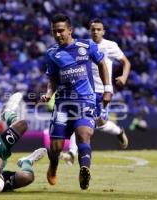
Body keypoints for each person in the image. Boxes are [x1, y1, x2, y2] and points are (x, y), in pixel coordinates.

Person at [40, 14, 112, 190]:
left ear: (70, 30)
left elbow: (102, 64)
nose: (57, 35)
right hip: (63, 103)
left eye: (61, 30)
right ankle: (54, 165)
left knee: (83, 135)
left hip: (85, 100)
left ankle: (84, 169)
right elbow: (52, 79)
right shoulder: (51, 53)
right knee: (56, 148)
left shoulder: (86, 46)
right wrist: (49, 93)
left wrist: (108, 88)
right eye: (54, 31)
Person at [61, 18, 131, 165]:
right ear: (89, 31)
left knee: (100, 123)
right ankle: (72, 154)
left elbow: (126, 62)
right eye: (93, 29)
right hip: (86, 92)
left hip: (103, 91)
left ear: (103, 31)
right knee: (80, 120)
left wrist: (123, 77)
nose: (96, 32)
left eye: (99, 29)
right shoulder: (84, 46)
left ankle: (119, 132)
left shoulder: (111, 46)